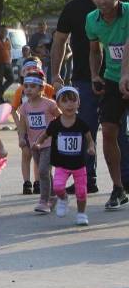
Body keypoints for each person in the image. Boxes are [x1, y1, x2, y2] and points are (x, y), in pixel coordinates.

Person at [50, 0, 129, 195]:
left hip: (118, 77)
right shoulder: (80, 11)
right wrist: (56, 74)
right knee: (89, 129)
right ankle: (89, 179)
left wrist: (124, 73)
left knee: (121, 133)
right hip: (88, 78)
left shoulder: (125, 9)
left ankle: (125, 180)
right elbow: (61, 42)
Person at [86, 0, 129, 210]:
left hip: (126, 75)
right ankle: (118, 188)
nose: (102, 1)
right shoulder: (91, 20)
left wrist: (126, 73)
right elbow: (95, 50)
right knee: (109, 131)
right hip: (113, 80)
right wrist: (95, 74)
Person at [33, 86, 95, 225]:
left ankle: (81, 214)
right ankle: (63, 198)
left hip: (79, 165)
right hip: (61, 164)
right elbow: (45, 135)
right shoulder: (55, 124)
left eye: (73, 101)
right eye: (65, 101)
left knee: (81, 192)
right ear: (58, 104)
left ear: (78, 103)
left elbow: (90, 139)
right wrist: (38, 143)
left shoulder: (81, 124)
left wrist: (91, 148)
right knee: (58, 187)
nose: (69, 104)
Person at [16, 70, 60, 214]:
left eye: (32, 86)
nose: (28, 89)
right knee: (45, 172)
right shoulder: (24, 107)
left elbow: (61, 118)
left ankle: (44, 201)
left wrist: (60, 133)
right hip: (34, 145)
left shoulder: (49, 104)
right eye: (26, 86)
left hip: (49, 143)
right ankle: (53, 196)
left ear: (41, 88)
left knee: (42, 171)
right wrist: (22, 138)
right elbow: (22, 125)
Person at [11, 57, 55, 194]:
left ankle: (38, 182)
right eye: (27, 69)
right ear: (23, 72)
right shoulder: (21, 91)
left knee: (41, 158)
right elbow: (14, 110)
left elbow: (55, 109)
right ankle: (27, 182)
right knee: (26, 154)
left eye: (34, 68)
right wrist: (20, 129)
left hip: (44, 133)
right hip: (26, 130)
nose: (31, 71)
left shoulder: (48, 89)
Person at [0, 24, 14, 101]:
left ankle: (0, 92)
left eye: (5, 31)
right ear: (0, 32)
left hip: (7, 63)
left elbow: (9, 50)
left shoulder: (7, 40)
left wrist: (10, 60)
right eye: (3, 31)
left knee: (11, 79)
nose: (4, 32)